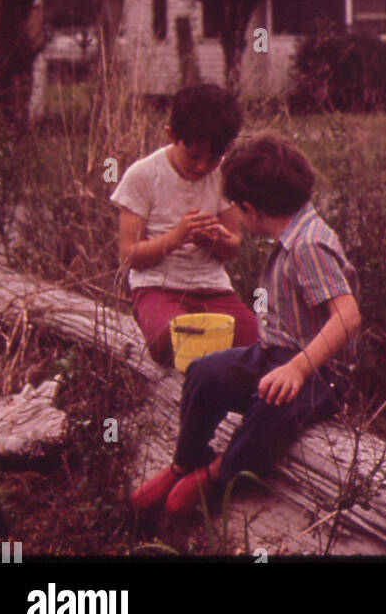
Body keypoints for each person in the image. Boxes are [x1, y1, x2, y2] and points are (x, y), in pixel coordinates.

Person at [129, 132, 360, 515]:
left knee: (268, 408)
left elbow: (348, 317)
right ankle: (185, 461)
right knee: (205, 371)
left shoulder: (308, 246)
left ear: (250, 209)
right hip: (276, 353)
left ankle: (221, 474)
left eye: (237, 209)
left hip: (321, 374)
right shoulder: (292, 233)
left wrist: (297, 369)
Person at [110, 84, 259, 364]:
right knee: (172, 339)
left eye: (213, 158)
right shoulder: (142, 175)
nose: (202, 166)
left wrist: (215, 240)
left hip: (212, 288)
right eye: (194, 156)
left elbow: (232, 248)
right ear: (171, 135)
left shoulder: (223, 175)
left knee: (257, 345)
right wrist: (177, 237)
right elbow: (129, 256)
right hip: (157, 287)